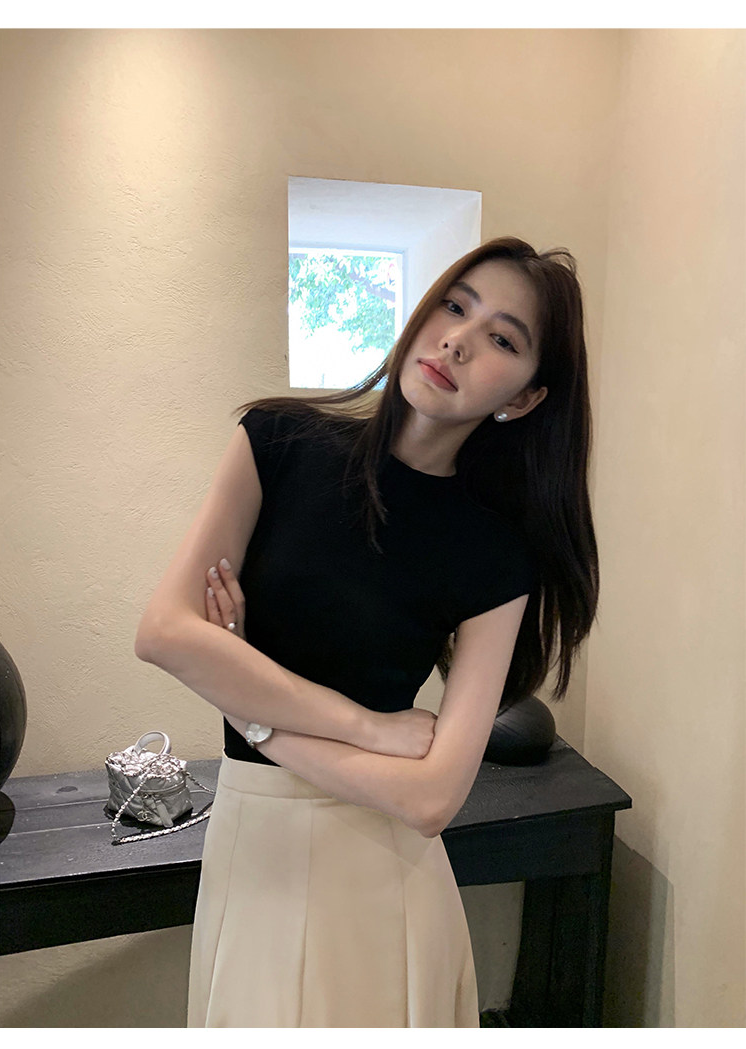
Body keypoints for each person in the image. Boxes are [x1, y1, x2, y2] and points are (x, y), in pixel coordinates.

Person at [134, 235, 599, 1028]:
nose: (458, 340)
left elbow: (432, 797)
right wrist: (369, 727)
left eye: (501, 338)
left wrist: (250, 706)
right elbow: (164, 633)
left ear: (523, 399)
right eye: (455, 306)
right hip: (254, 849)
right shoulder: (277, 442)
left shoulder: (495, 555)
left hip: (386, 871)